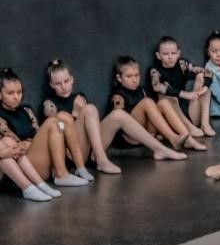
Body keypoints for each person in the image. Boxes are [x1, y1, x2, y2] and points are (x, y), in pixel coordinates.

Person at [42, 60, 184, 174]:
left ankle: (160, 149)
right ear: (51, 85)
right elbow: (57, 135)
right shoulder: (49, 105)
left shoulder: (79, 97)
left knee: (118, 114)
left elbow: (92, 126)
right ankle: (102, 160)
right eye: (58, 84)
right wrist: (75, 114)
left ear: (72, 79)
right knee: (89, 109)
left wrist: (82, 115)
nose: (64, 87)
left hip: (92, 149)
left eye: (66, 81)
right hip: (73, 155)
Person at [1, 67, 89, 191]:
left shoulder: (26, 110)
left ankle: (80, 168)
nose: (16, 97)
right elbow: (14, 147)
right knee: (52, 122)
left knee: (62, 118)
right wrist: (29, 143)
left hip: (41, 158)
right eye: (10, 93)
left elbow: (37, 134)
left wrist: (31, 142)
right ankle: (61, 174)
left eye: (19, 92)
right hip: (25, 165)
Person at [107, 57, 200, 153]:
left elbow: (154, 113)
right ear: (119, 78)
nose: (134, 80)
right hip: (131, 137)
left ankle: (189, 139)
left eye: (137, 75)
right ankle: (173, 138)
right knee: (147, 102)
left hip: (149, 133)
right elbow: (119, 125)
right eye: (129, 76)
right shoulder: (118, 96)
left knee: (163, 102)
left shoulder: (141, 90)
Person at [146, 37, 210, 142]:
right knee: (166, 97)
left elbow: (208, 73)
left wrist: (204, 88)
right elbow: (157, 87)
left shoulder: (182, 64)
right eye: (166, 54)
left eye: (173, 53)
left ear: (178, 53)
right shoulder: (155, 70)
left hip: (190, 113)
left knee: (202, 81)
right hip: (174, 120)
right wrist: (184, 94)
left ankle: (205, 123)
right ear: (158, 56)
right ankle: (188, 127)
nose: (170, 57)